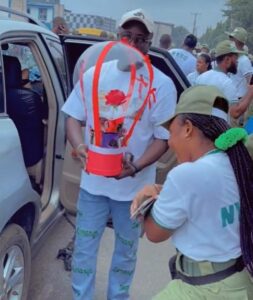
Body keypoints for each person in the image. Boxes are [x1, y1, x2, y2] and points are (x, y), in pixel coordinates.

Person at [61, 8, 177, 300]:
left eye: (141, 39)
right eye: (127, 36)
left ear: (149, 43)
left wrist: (136, 166)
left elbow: (164, 139)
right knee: (85, 250)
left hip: (135, 190)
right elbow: (72, 117)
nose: (132, 44)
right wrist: (79, 147)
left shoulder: (161, 86)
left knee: (125, 254)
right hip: (93, 185)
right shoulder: (93, 76)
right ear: (117, 38)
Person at [131, 85, 253, 299]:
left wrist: (147, 198)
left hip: (203, 290)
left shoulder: (185, 175)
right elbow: (212, 196)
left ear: (187, 128)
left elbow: (154, 234)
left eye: (171, 132)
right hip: (239, 284)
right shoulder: (237, 162)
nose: (169, 142)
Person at [196, 40, 253, 121]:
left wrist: (249, 91)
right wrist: (251, 93)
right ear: (227, 60)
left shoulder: (201, 77)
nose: (237, 61)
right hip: (217, 130)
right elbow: (235, 112)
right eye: (236, 58)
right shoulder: (227, 83)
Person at [226, 27, 253, 100]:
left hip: (240, 99)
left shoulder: (244, 60)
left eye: (232, 38)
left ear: (236, 40)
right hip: (231, 98)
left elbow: (250, 82)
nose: (230, 41)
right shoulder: (233, 58)